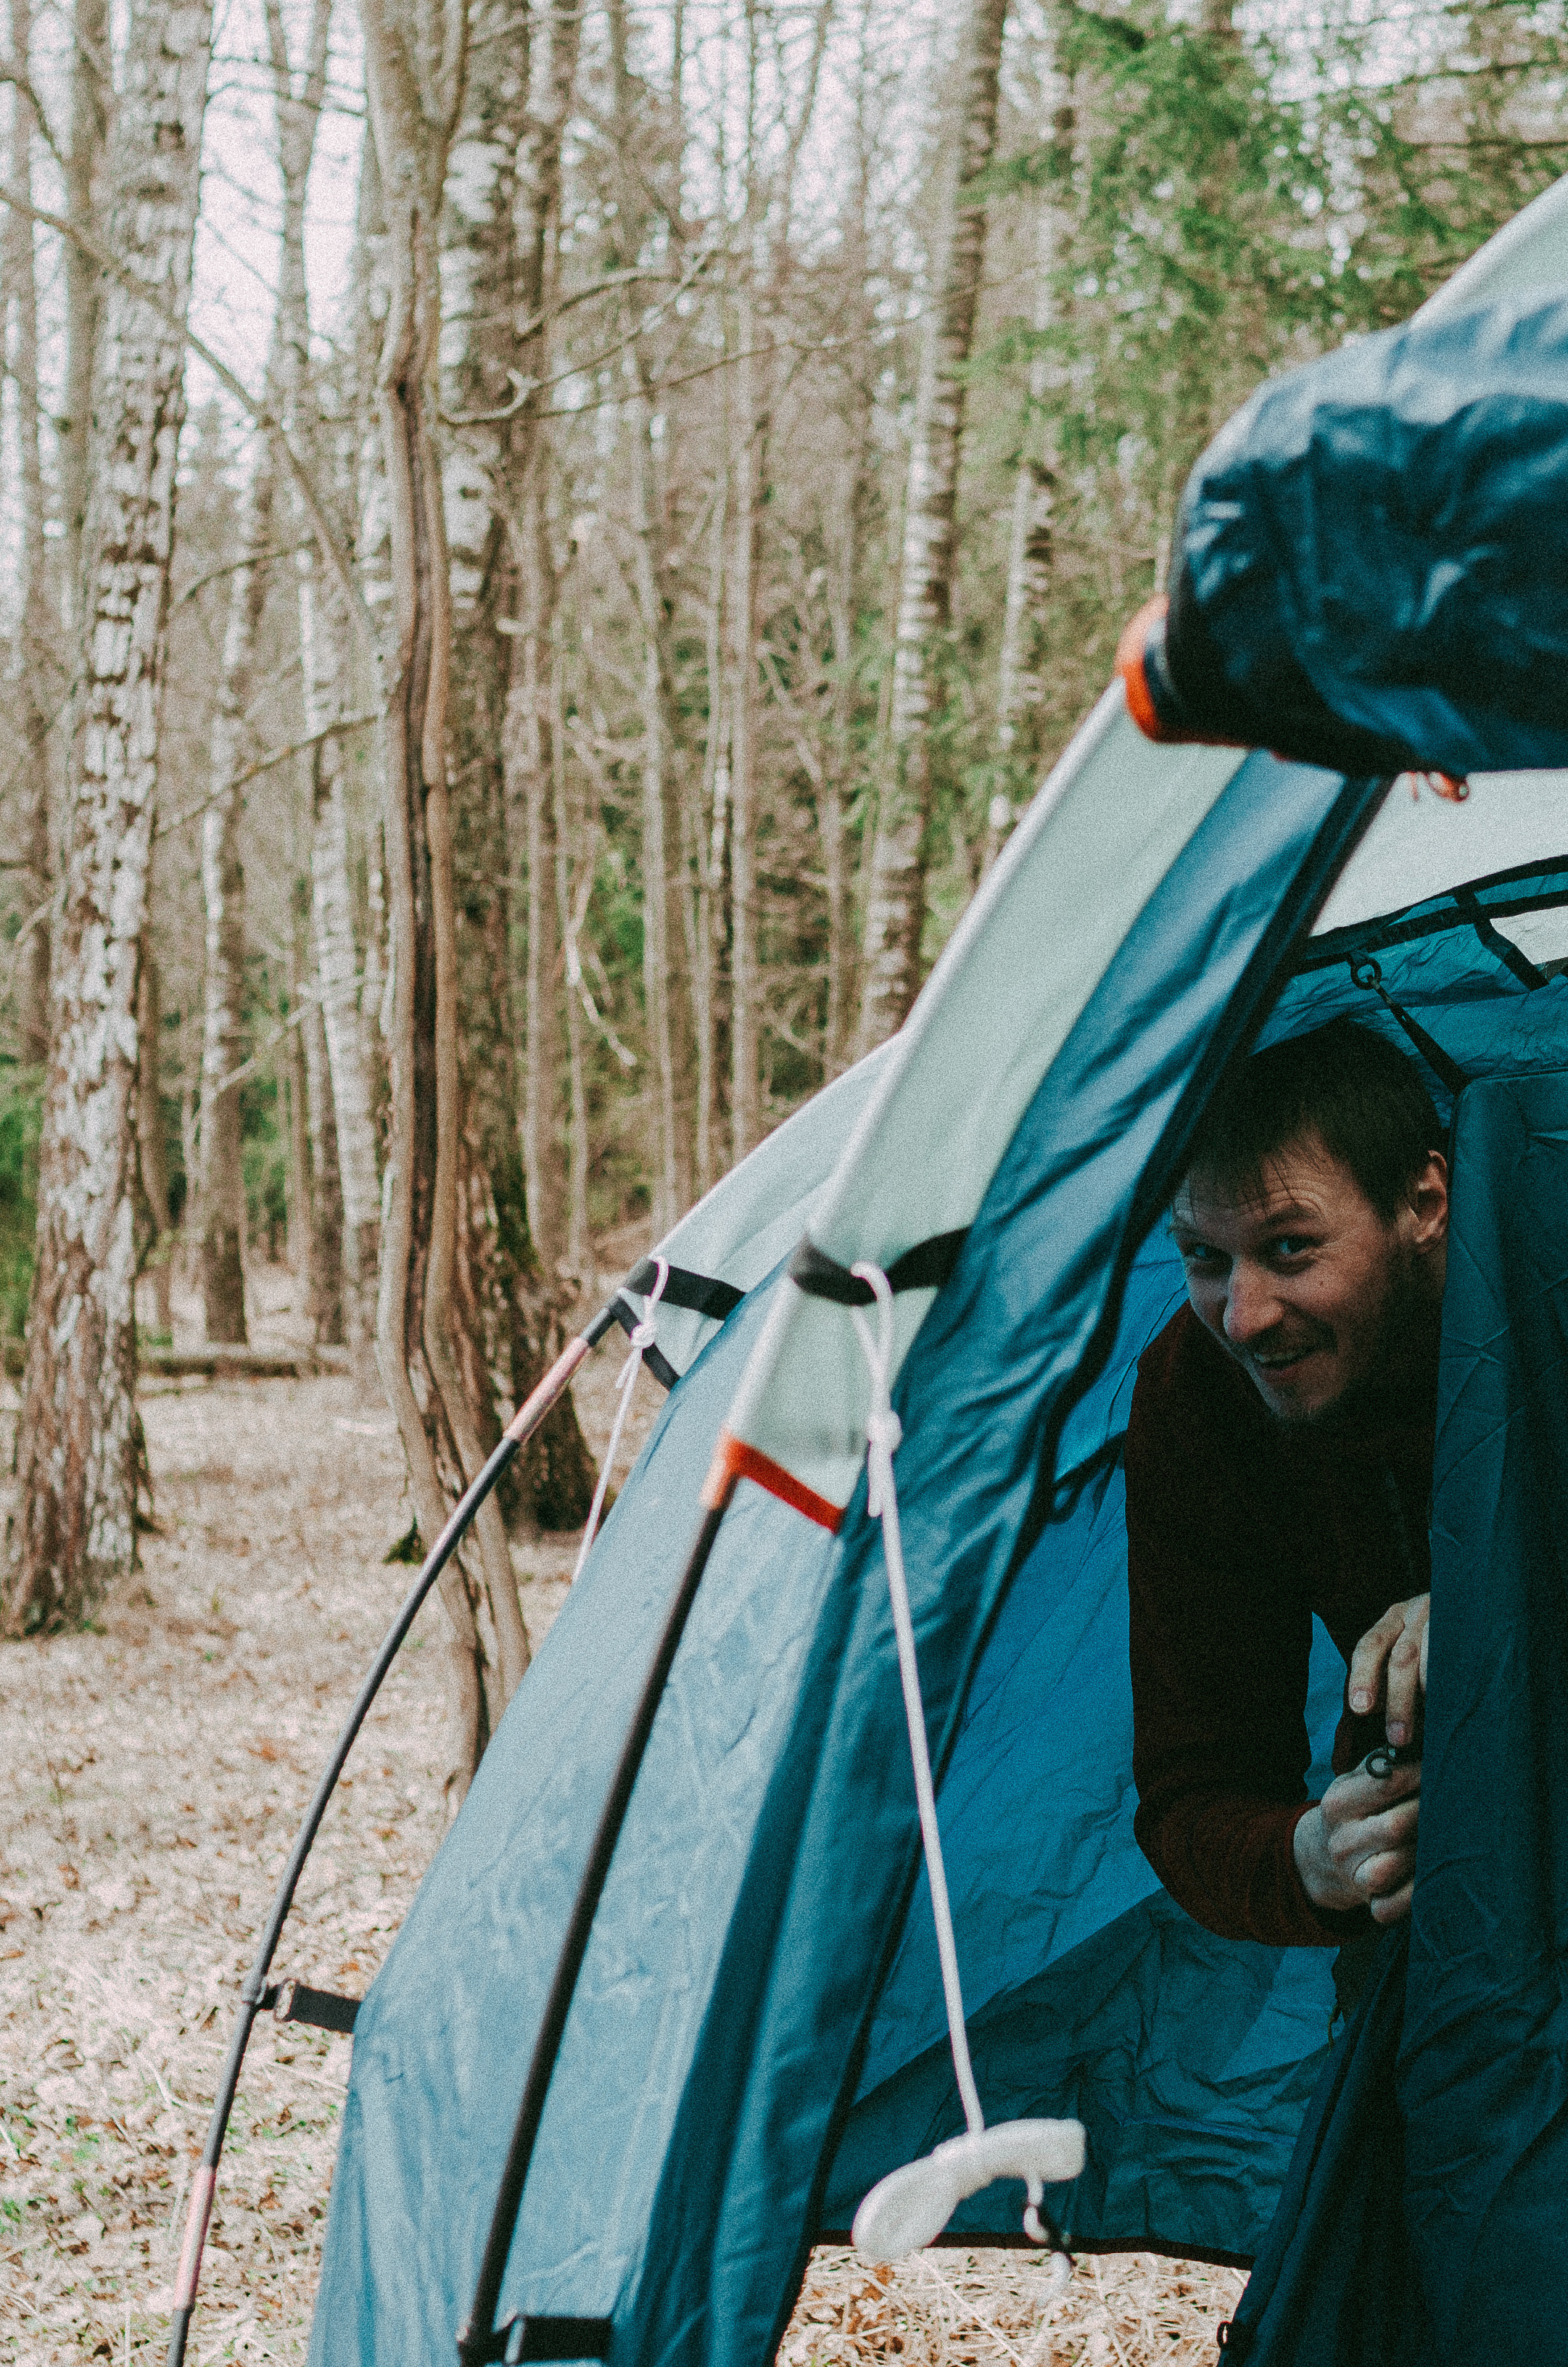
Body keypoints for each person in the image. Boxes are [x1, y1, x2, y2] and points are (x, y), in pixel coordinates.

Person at [1126, 1020, 1446, 1959]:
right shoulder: (1199, 1394)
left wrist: (1504, 1606)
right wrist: (1314, 1856)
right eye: (1203, 1257)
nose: (1244, 1315)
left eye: (1291, 1248)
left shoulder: (1537, 1284)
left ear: (1423, 1202)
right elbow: (1195, 1785)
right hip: (1450, 1885)